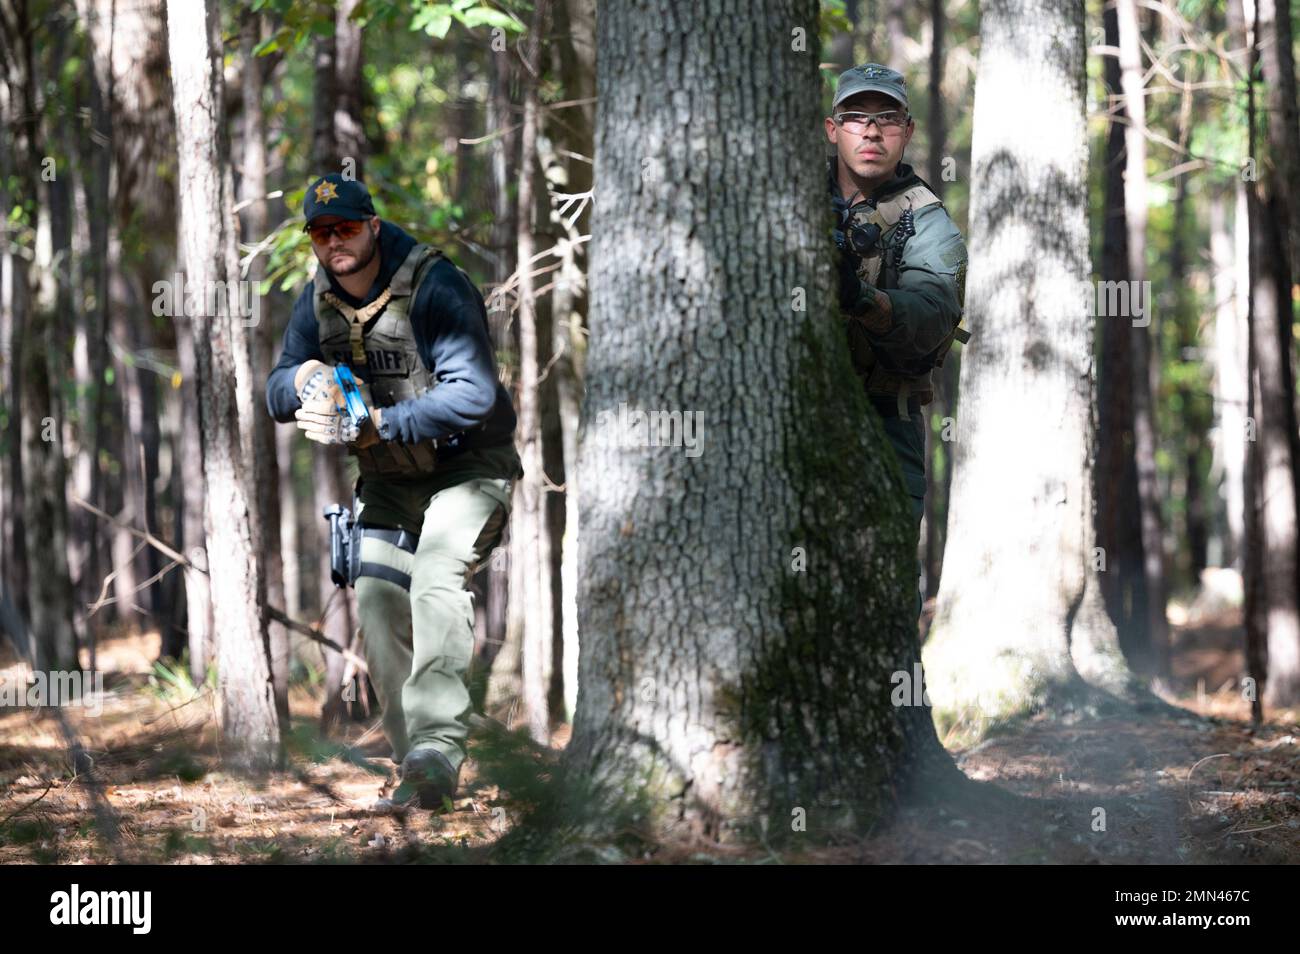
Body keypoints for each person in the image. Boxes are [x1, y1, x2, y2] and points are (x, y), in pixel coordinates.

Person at [266, 173, 522, 810]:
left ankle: (438, 747)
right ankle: (420, 772)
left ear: (373, 227)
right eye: (321, 233)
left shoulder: (435, 284)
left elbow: (474, 392)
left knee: (436, 578)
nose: (335, 242)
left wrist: (379, 422)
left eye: (347, 228)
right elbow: (274, 391)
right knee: (378, 603)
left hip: (468, 470)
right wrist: (306, 379)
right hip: (388, 483)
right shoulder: (316, 301)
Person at [826, 64, 970, 619]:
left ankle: (896, 706)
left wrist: (862, 298)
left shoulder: (925, 220)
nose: (870, 131)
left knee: (879, 596)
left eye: (886, 119)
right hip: (793, 414)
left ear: (906, 132)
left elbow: (932, 314)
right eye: (855, 118)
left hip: (885, 419)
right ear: (831, 128)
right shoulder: (789, 195)